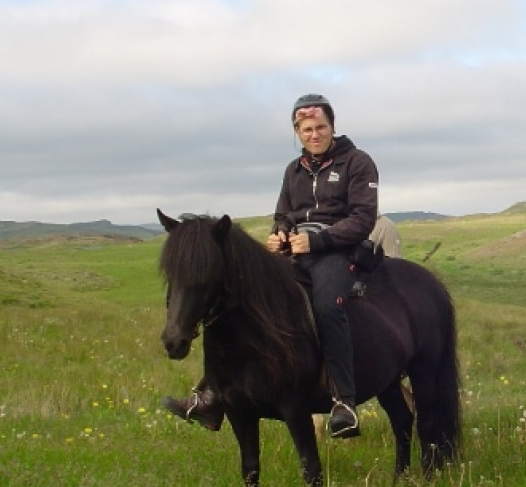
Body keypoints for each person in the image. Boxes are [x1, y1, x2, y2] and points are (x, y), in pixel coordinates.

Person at [162, 93, 379, 438]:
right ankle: (210, 394)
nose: (314, 134)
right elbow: (283, 214)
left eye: (321, 127)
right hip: (295, 253)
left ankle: (344, 402)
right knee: (241, 302)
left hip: (337, 254)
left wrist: (317, 240)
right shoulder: (293, 170)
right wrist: (279, 233)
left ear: (332, 127)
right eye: (306, 129)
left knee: (326, 307)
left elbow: (363, 217)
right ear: (298, 132)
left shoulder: (357, 162)